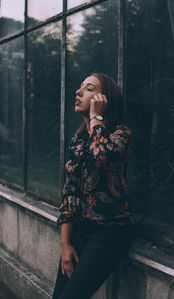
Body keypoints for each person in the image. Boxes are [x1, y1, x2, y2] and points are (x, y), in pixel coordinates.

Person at [52, 73, 134, 299]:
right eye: (80, 87)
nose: (78, 92)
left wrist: (96, 117)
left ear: (104, 99)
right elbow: (69, 191)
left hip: (110, 233)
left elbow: (101, 157)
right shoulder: (78, 140)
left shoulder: (121, 135)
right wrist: (65, 243)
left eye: (88, 89)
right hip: (79, 229)